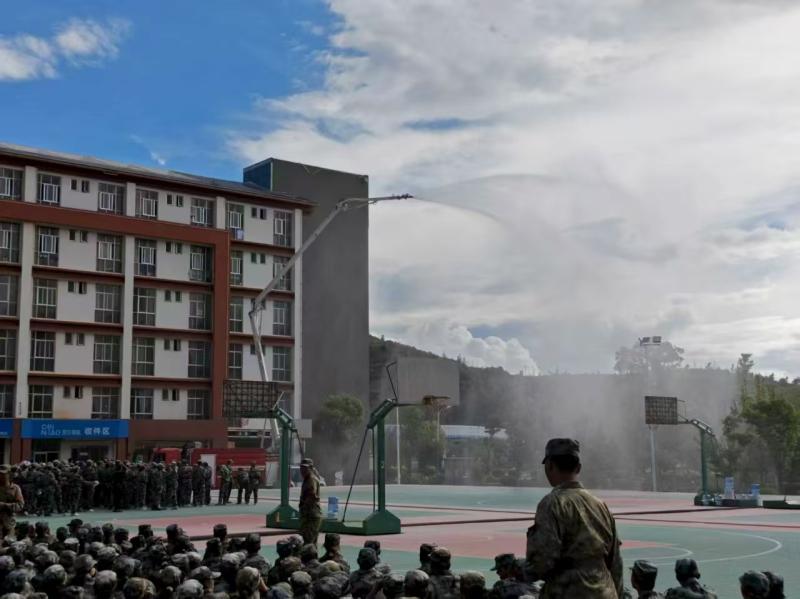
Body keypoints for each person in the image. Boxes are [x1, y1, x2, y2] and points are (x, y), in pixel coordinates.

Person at [526, 438, 623, 599]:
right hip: (605, 592)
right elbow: (616, 563)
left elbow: (542, 562)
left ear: (549, 465)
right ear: (578, 467)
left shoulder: (551, 504)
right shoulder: (600, 505)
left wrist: (519, 571)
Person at [298, 458, 322, 546]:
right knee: (311, 543)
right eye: (301, 468)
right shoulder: (308, 479)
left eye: (305, 468)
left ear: (311, 468)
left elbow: (312, 496)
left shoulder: (311, 479)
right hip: (310, 514)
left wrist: (303, 508)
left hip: (311, 515)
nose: (302, 470)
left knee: (308, 542)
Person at [0, 466, 24, 537]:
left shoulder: (15, 488)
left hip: (9, 522)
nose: (1, 476)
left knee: (9, 541)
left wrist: (4, 505)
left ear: (9, 474)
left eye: (4, 474)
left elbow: (20, 505)